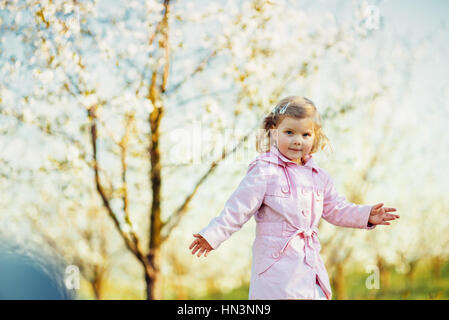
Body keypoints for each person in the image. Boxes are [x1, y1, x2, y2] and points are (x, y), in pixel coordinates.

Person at [188, 96, 399, 300]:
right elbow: (238, 208)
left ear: (315, 136)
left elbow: (336, 208)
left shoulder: (319, 176)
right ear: (273, 133)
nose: (297, 141)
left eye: (305, 135)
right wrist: (213, 235)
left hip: (309, 268)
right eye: (289, 132)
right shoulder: (265, 170)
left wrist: (366, 215)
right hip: (276, 272)